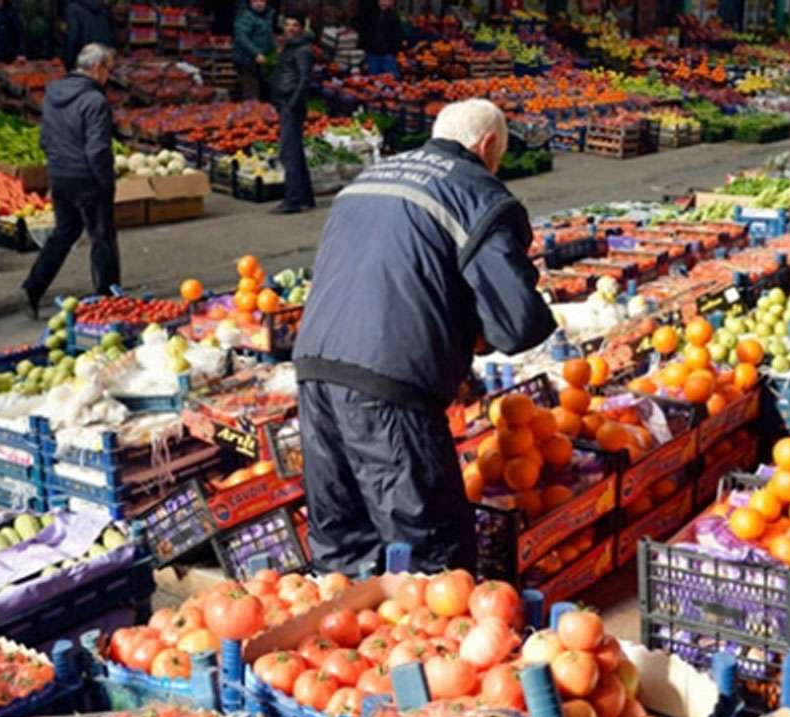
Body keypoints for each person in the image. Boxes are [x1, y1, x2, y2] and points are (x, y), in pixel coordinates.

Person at [293, 99, 557, 574]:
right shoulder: (475, 191)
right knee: (431, 557)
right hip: (390, 386)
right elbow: (516, 322)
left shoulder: (368, 179)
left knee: (343, 552)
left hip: (314, 371)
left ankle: (347, 635)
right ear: (489, 144)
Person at [20, 44, 119, 318]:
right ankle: (108, 299)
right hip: (87, 176)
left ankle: (32, 287)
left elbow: (45, 137)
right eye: (108, 70)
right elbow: (97, 149)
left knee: (64, 234)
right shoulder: (95, 102)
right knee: (102, 239)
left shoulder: (53, 93)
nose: (109, 77)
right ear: (97, 68)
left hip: (60, 173)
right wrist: (106, 181)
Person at [270, 14, 315, 215]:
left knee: (289, 153)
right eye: (287, 24)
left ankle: (293, 199)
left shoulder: (302, 50)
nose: (290, 28)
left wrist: (292, 104)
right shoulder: (290, 47)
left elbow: (305, 79)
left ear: (301, 28)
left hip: (291, 104)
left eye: (295, 25)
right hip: (285, 102)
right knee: (295, 151)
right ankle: (305, 196)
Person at [232, 0, 276, 101]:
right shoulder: (244, 17)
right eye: (255, 1)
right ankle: (250, 113)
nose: (259, 3)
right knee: (251, 91)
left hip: (262, 59)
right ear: (250, 2)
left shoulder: (267, 15)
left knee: (265, 90)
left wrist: (275, 48)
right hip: (246, 60)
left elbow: (268, 36)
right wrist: (256, 53)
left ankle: (264, 113)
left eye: (262, 1)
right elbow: (242, 38)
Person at [359, 0, 403, 78]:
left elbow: (398, 35)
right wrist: (366, 48)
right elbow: (365, 32)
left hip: (387, 54)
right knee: (372, 78)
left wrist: (393, 51)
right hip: (372, 53)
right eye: (382, 0)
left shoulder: (394, 17)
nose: (384, 3)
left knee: (391, 79)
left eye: (387, 1)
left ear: (391, 2)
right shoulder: (371, 15)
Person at [64, 0, 112, 71]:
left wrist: (68, 63)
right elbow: (108, 35)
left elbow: (72, 37)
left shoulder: (72, 9)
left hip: (82, 61)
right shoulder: (102, 9)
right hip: (101, 61)